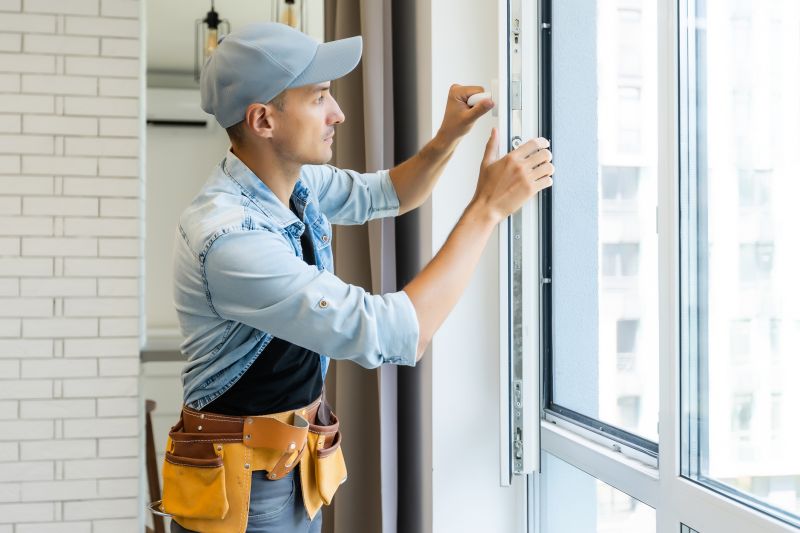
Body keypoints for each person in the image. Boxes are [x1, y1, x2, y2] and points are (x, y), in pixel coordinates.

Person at [163, 21, 553, 533]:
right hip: (242, 490)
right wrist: (487, 209)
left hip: (293, 469)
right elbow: (394, 331)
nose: (338, 113)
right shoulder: (231, 239)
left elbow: (388, 193)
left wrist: (448, 137)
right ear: (263, 120)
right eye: (319, 97)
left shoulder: (293, 182)